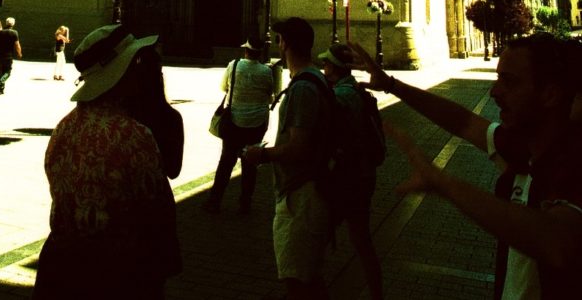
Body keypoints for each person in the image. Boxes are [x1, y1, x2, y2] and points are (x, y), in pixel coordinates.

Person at [352, 34, 582, 299]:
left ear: (550, 94)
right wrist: (392, 85)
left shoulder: (573, 162)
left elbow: (558, 243)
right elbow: (464, 122)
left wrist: (445, 183)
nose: (494, 91)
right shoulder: (521, 149)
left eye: (509, 81)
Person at [32, 24, 181, 299]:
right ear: (123, 73)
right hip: (116, 274)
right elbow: (155, 210)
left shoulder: (65, 127)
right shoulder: (132, 136)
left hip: (60, 268)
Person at [245, 17, 335, 299]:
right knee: (308, 277)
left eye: (279, 39)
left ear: (285, 44)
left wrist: (262, 154)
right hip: (307, 190)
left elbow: (299, 147)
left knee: (298, 281)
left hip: (302, 195)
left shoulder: (304, 88)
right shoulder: (314, 80)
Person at [318, 44, 383, 300]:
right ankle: (377, 292)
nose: (324, 69)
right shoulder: (356, 90)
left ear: (334, 67)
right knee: (362, 240)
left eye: (326, 65)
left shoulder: (341, 96)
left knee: (316, 238)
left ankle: (308, 289)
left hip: (345, 178)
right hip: (363, 174)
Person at [205, 35, 274, 213]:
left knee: (226, 161)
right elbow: (270, 94)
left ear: (246, 50)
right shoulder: (266, 71)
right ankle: (245, 203)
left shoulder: (234, 65)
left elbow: (223, 87)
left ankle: (214, 201)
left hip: (234, 121)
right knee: (250, 163)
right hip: (257, 122)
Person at [0, 17, 22, 95]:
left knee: (1, 72)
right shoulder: (14, 33)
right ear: (13, 24)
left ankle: (0, 89)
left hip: (0, 55)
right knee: (8, 72)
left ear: (6, 23)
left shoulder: (0, 32)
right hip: (8, 56)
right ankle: (0, 82)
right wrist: (19, 53)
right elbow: (17, 45)